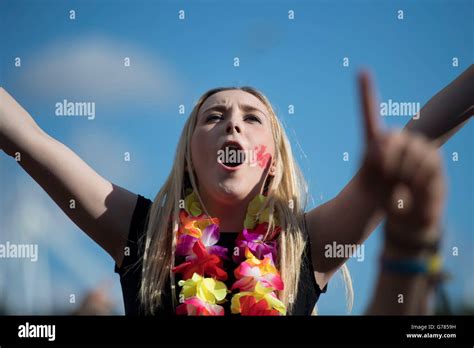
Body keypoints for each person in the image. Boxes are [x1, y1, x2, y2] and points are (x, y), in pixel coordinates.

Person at [0, 66, 472, 316]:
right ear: (189, 156)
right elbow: (29, 140)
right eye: (214, 116)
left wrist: (397, 160)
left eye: (251, 118)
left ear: (273, 160)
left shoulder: (303, 245)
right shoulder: (141, 231)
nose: (232, 123)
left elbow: (423, 133)